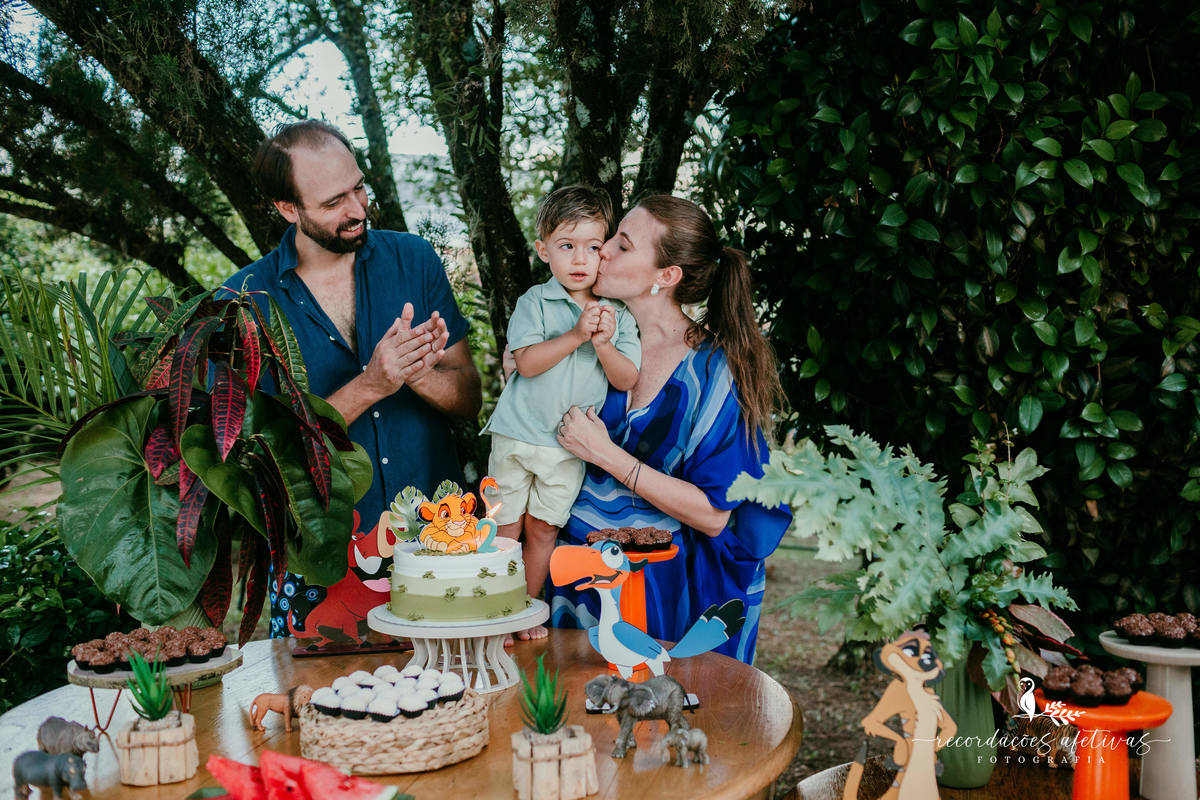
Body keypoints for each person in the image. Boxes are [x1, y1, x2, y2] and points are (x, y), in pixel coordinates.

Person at [222, 120, 482, 642]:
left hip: (438, 541)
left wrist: (418, 374)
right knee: (318, 696)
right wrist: (370, 385)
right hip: (320, 564)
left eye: (359, 188)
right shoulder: (242, 302)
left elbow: (470, 397)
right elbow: (262, 456)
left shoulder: (414, 260)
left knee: (456, 689)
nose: (358, 209)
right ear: (288, 209)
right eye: (334, 201)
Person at [548, 195, 790, 664]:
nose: (602, 251)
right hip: (579, 579)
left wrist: (606, 454)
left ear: (666, 276)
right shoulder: (591, 336)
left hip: (664, 589)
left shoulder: (714, 374)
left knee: (654, 705)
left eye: (623, 245)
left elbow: (714, 514)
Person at [483, 186, 640, 640]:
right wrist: (574, 336)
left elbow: (626, 378)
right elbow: (527, 363)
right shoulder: (534, 301)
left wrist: (603, 343)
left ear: (604, 251)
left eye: (592, 247)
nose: (580, 259)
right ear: (543, 250)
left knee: (543, 531)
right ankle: (494, 614)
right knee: (504, 528)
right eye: (567, 246)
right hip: (515, 435)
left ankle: (523, 612)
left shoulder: (617, 313)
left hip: (568, 447)